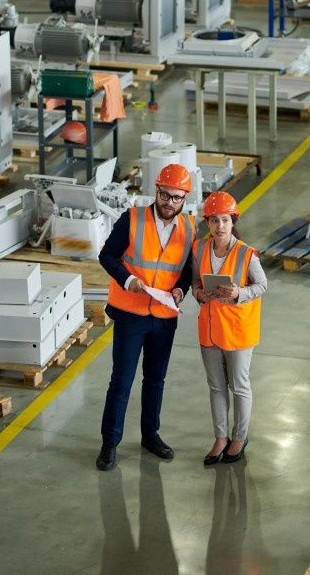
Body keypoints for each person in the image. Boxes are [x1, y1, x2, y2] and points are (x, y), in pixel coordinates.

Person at [96, 163, 195, 472]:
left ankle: (150, 436)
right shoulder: (133, 219)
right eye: (165, 195)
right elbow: (106, 256)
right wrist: (128, 281)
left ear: (185, 199)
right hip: (131, 315)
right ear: (156, 190)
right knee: (121, 381)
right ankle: (109, 444)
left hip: (164, 317)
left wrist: (180, 291)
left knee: (155, 379)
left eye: (177, 198)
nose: (169, 203)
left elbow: (187, 272)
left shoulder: (190, 229)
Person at [193, 192, 267, 466]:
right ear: (208, 223)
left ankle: (239, 437)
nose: (220, 226)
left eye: (225, 220)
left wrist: (239, 293)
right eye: (214, 220)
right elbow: (195, 284)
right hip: (210, 329)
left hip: (237, 331)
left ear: (232, 221)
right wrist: (199, 294)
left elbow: (262, 286)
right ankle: (220, 437)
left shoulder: (247, 253)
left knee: (239, 385)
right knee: (216, 386)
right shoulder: (199, 249)